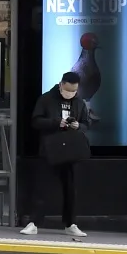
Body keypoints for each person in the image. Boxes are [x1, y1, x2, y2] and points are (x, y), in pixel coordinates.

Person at [21, 71, 90, 238]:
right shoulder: (46, 99)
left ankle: (70, 223)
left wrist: (78, 126)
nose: (70, 94)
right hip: (50, 148)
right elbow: (35, 121)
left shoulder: (79, 102)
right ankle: (34, 222)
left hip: (71, 149)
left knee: (71, 188)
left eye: (73, 91)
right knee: (42, 187)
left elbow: (86, 124)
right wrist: (55, 122)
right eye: (67, 90)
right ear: (61, 84)